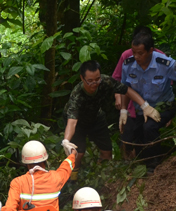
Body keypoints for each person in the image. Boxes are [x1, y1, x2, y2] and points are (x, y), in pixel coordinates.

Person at [63, 60, 157, 179]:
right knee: (78, 153)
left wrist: (145, 106)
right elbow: (72, 121)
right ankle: (73, 180)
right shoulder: (77, 95)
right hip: (79, 123)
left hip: (96, 117)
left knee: (107, 151)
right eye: (90, 81)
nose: (94, 84)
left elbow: (126, 90)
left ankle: (102, 178)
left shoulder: (105, 81)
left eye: (97, 79)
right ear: (82, 78)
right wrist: (66, 141)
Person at [121, 31, 176, 173]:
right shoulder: (128, 65)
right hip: (140, 108)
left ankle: (155, 164)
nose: (136, 57)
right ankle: (144, 162)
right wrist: (123, 110)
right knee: (135, 133)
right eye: (134, 52)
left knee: (149, 127)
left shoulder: (164, 63)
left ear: (150, 50)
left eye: (140, 53)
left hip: (164, 105)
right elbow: (125, 87)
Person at [2, 140, 76, 211]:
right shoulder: (56, 178)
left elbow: (10, 209)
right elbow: (66, 168)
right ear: (45, 161)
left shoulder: (18, 183)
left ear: (26, 163)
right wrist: (73, 154)